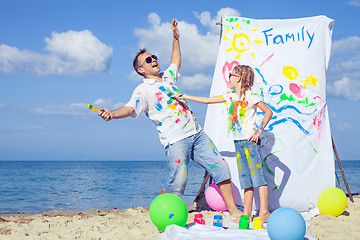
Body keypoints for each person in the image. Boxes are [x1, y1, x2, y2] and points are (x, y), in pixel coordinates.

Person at [98, 19, 243, 218]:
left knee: (221, 166)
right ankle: (159, 211)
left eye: (154, 57)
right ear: (141, 70)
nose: (154, 60)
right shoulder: (142, 90)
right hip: (176, 140)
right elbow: (130, 108)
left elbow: (176, 61)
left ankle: (234, 210)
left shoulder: (167, 77)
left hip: (197, 133)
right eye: (148, 60)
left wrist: (176, 38)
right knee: (178, 181)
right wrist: (112, 114)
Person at [176, 65, 273, 222]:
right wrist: (186, 96)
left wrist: (258, 131)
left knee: (258, 178)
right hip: (238, 143)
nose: (228, 78)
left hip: (250, 143)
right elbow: (208, 100)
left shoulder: (251, 96)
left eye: (231, 75)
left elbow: (268, 112)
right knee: (246, 180)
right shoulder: (230, 96)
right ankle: (247, 215)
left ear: (238, 78)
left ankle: (264, 212)